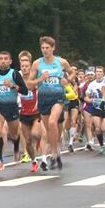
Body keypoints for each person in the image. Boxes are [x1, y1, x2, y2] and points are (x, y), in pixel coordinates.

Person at [29, 36, 75, 170]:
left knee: (52, 122)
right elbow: (29, 83)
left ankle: (54, 153)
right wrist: (40, 79)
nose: (45, 50)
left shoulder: (61, 62)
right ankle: (57, 152)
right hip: (43, 98)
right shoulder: (37, 64)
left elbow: (72, 74)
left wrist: (67, 80)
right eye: (42, 48)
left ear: (53, 48)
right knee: (49, 130)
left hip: (58, 97)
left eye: (47, 48)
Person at [0, 51, 29, 171]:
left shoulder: (14, 74)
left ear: (10, 61)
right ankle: (0, 160)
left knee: (14, 134)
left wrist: (12, 86)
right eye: (1, 59)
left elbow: (25, 90)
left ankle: (16, 146)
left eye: (6, 59)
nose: (3, 61)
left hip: (11, 107)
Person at [18, 51, 44, 173]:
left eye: (27, 66)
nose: (24, 68)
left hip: (36, 112)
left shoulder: (35, 78)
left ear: (31, 67)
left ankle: (40, 138)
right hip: (23, 113)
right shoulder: (17, 78)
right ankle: (34, 161)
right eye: (22, 66)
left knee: (34, 133)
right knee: (27, 141)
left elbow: (41, 91)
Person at [84, 67, 105, 154]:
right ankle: (102, 146)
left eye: (100, 71)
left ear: (103, 73)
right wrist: (89, 100)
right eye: (97, 71)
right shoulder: (91, 84)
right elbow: (86, 96)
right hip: (96, 108)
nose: (98, 73)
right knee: (97, 128)